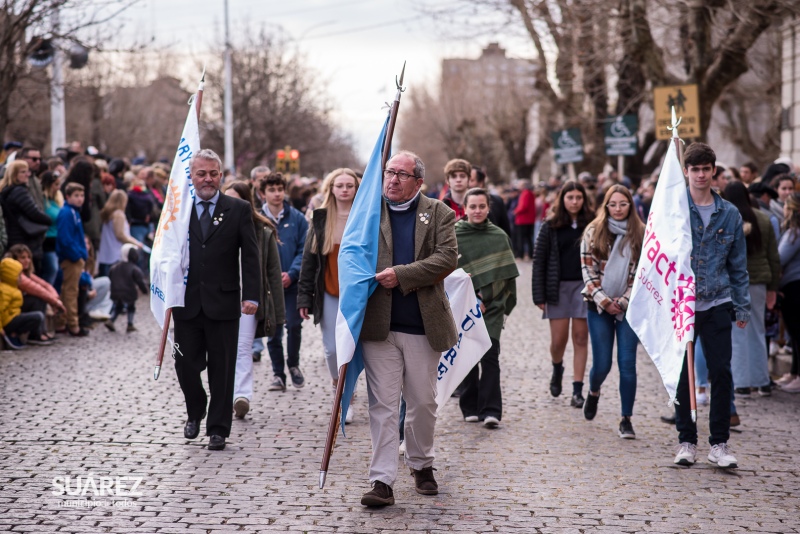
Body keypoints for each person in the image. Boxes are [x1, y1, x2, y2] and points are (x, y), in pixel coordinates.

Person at [358, 151, 457, 508]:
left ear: (418, 182)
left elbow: (447, 258)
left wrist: (402, 274)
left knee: (422, 402)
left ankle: (421, 463)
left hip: (422, 324)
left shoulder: (439, 212)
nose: (393, 180)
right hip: (378, 325)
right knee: (382, 405)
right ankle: (381, 480)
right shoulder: (369, 211)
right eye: (389, 172)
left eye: (402, 174)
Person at [171, 149, 260, 451]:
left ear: (221, 175)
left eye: (212, 173)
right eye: (201, 173)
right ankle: (196, 410)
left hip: (224, 304)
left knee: (222, 369)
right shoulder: (177, 209)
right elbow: (165, 253)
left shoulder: (238, 209)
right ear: (192, 176)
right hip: (186, 303)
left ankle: (218, 428)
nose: (207, 179)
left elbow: (250, 255)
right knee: (184, 364)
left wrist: (252, 295)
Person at [672, 142, 750, 470]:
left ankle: (719, 443)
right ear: (686, 172)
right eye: (695, 169)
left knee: (720, 371)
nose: (701, 175)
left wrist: (742, 306)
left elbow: (738, 264)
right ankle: (686, 440)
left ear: (713, 171)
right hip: (683, 304)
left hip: (718, 300)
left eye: (706, 169)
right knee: (682, 375)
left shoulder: (729, 213)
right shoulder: (673, 208)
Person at [579, 184, 644, 438]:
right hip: (598, 305)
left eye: (623, 204)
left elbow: (641, 274)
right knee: (603, 364)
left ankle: (626, 418)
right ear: (606, 206)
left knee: (627, 363)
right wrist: (605, 301)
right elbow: (587, 271)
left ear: (631, 205)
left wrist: (625, 301)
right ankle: (593, 391)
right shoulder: (594, 231)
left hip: (629, 306)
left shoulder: (641, 232)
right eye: (613, 204)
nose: (618, 209)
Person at [298, 168, 361, 421]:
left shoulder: (366, 215)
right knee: (332, 349)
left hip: (358, 293)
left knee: (354, 347)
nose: (344, 190)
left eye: (349, 185)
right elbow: (309, 259)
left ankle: (347, 396)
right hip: (329, 290)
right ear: (331, 189)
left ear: (357, 189)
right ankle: (338, 384)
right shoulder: (320, 217)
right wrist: (304, 296)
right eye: (339, 185)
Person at [455, 187, 518, 428]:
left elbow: (506, 276)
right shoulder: (454, 235)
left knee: (490, 357)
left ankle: (491, 410)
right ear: (465, 208)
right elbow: (449, 272)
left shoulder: (499, 236)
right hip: (464, 307)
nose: (477, 210)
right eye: (473, 206)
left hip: (492, 306)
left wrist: (486, 298)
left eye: (482, 206)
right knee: (467, 355)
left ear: (488, 208)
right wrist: (472, 299)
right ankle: (470, 406)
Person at [223, 180, 285, 420]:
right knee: (222, 350)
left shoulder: (261, 230)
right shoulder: (213, 224)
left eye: (235, 199)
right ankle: (223, 394)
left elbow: (272, 273)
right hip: (220, 297)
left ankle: (242, 395)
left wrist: (277, 314)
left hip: (248, 299)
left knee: (242, 348)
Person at [532, 181, 594, 408]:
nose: (575, 202)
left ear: (584, 200)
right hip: (556, 288)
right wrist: (539, 295)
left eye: (579, 197)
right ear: (563, 200)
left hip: (585, 287)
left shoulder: (592, 223)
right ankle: (557, 367)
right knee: (558, 340)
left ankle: (578, 389)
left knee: (580, 337)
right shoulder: (550, 225)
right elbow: (539, 260)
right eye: (570, 198)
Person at [723, 181, 779, 397]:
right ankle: (762, 381)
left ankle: (742, 382)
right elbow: (773, 257)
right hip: (759, 281)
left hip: (735, 281)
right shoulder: (764, 218)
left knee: (738, 331)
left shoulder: (728, 218)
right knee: (758, 329)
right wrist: (773, 287)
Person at [260, 172, 308, 390]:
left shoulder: (297, 218)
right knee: (273, 330)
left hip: (292, 282)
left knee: (295, 326)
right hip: (268, 286)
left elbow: (303, 249)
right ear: (263, 193)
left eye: (280, 189)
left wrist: (292, 273)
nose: (277, 194)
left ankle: (293, 364)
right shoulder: (257, 218)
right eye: (272, 190)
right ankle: (278, 374)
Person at [0, 160, 53, 274]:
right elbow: (33, 212)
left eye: (27, 171)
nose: (27, 175)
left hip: (15, 235)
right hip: (24, 237)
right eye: (23, 172)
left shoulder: (7, 190)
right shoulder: (19, 191)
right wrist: (49, 220)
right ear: (14, 175)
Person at [6, 244, 64, 341]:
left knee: (40, 298)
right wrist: (55, 302)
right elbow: (36, 289)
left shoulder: (25, 273)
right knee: (38, 299)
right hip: (11, 311)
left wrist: (55, 298)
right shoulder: (15, 275)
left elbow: (45, 285)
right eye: (23, 257)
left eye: (28, 257)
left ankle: (41, 332)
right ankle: (36, 334)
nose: (27, 260)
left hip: (17, 306)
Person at [56, 183, 90, 337]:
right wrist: (77, 255)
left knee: (68, 291)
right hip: (71, 258)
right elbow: (65, 239)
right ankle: (73, 325)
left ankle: (62, 322)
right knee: (71, 292)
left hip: (76, 256)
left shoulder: (74, 213)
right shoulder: (66, 213)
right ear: (68, 196)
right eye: (76, 196)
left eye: (81, 196)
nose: (80, 199)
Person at [0, 257, 50, 349]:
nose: (20, 278)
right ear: (10, 276)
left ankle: (16, 333)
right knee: (37, 316)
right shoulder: (5, 291)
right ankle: (13, 334)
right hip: (8, 321)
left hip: (12, 316)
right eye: (18, 275)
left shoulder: (12, 288)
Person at [777, 193, 800, 393]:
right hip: (791, 284)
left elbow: (780, 257)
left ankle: (798, 375)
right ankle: (794, 372)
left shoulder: (795, 232)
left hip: (794, 286)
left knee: (797, 332)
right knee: (793, 333)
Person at [97, 190, 144, 277]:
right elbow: (120, 235)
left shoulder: (108, 213)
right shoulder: (118, 215)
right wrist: (136, 243)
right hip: (115, 254)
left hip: (106, 253)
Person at [105, 244, 148, 333]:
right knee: (131, 307)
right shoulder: (134, 269)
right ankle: (130, 324)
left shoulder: (114, 267)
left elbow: (110, 276)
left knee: (118, 307)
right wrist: (145, 290)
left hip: (115, 292)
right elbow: (140, 281)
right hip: (129, 293)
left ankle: (111, 320)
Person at [467, 166, 511, 236]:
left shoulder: (497, 201)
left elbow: (506, 231)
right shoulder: (454, 203)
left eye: (471, 180)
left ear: (481, 182)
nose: (467, 184)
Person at [39, 171, 63, 286]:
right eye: (56, 185)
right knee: (51, 270)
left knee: (56, 271)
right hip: (47, 242)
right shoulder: (43, 201)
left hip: (56, 242)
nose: (58, 188)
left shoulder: (55, 201)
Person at [514, 180, 537, 259]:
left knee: (521, 239)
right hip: (529, 220)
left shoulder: (526, 193)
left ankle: (521, 254)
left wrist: (515, 211)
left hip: (523, 220)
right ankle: (530, 254)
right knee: (528, 238)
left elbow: (523, 206)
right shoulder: (530, 193)